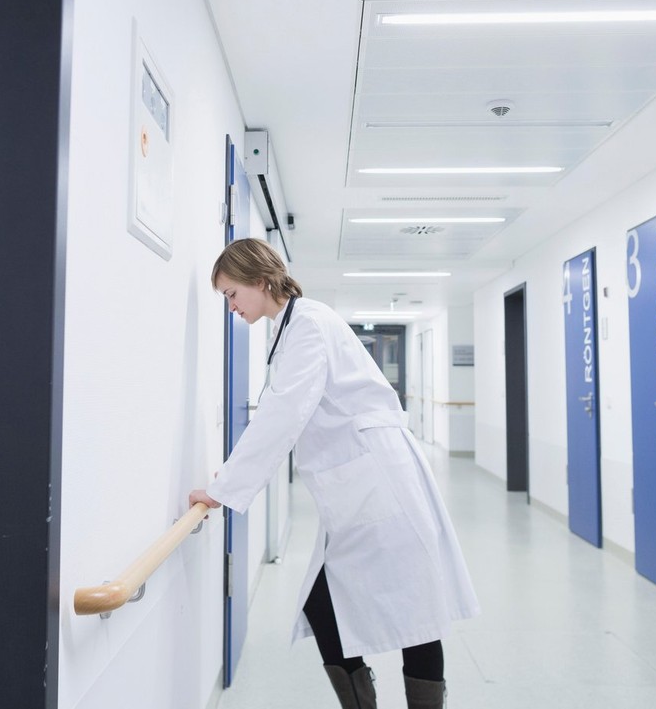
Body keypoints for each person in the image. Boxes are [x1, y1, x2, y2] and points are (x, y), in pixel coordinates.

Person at [189, 238, 480, 709]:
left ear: (260, 282)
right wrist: (233, 477)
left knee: (406, 612)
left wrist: (223, 489)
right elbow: (286, 412)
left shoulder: (308, 326)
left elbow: (283, 414)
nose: (231, 306)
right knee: (388, 608)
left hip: (380, 483)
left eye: (231, 294)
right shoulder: (294, 328)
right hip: (365, 486)